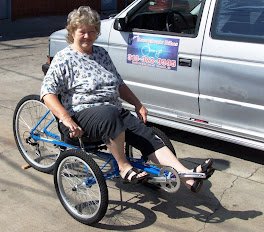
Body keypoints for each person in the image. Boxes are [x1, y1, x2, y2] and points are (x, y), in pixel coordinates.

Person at [40, 6, 214, 192]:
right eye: (82, 32)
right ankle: (124, 167)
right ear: (73, 32)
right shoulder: (63, 58)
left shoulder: (101, 53)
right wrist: (65, 119)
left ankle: (186, 175)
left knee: (145, 135)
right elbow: (47, 92)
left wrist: (137, 104)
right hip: (80, 117)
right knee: (110, 114)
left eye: (92, 32)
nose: (87, 36)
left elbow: (119, 84)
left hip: (112, 112)